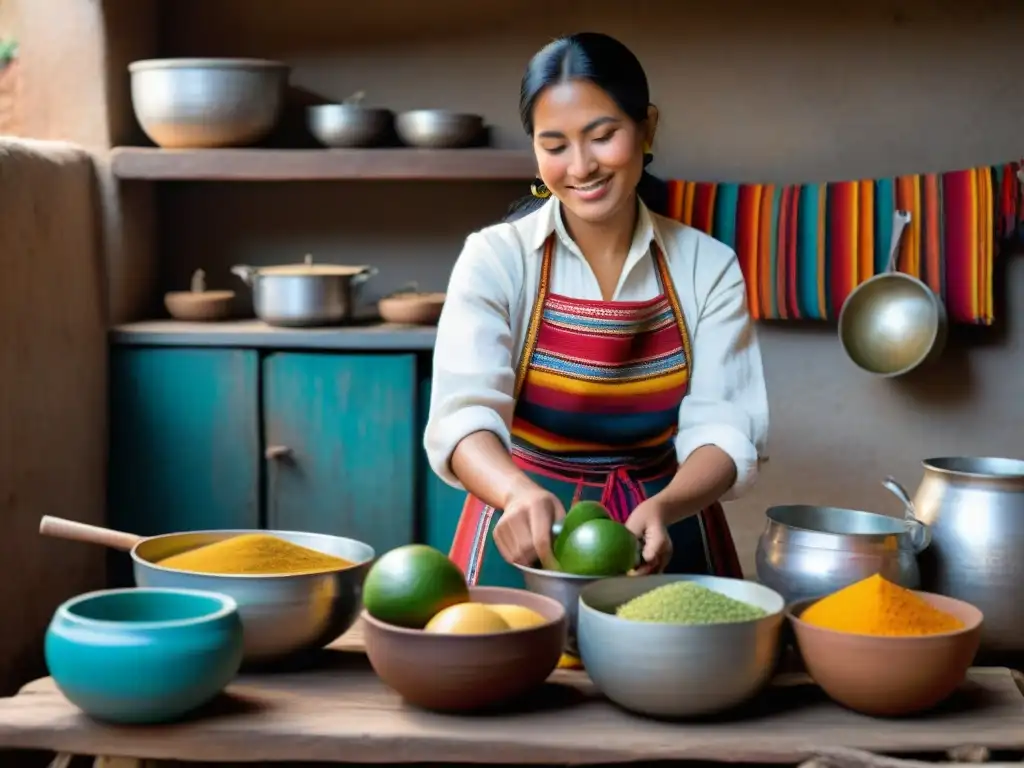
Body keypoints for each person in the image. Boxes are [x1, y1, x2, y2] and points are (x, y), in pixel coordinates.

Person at [424, 32, 769, 589]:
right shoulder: (497, 258)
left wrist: (667, 507)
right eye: (554, 145)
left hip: (665, 532)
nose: (581, 166)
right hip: (522, 531)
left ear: (647, 127)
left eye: (602, 136)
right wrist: (516, 492)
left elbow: (725, 430)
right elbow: (462, 418)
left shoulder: (708, 266)